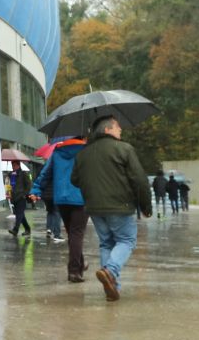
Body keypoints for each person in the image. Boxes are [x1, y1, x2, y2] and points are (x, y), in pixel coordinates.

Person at [70, 116, 152, 301]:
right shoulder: (123, 148)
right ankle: (110, 270)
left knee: (106, 243)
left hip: (94, 208)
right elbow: (139, 179)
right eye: (117, 127)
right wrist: (146, 206)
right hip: (120, 205)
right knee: (126, 241)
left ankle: (112, 287)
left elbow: (74, 180)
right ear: (107, 130)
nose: (120, 130)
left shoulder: (83, 153)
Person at [35, 137, 88, 281]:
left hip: (62, 198)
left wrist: (36, 189)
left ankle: (80, 263)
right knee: (76, 234)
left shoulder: (57, 152)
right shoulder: (86, 151)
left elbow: (46, 173)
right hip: (80, 197)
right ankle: (74, 270)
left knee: (73, 234)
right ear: (83, 138)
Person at [7, 160, 32, 237]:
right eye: (12, 166)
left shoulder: (23, 174)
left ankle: (15, 229)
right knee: (21, 215)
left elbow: (29, 185)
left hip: (21, 197)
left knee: (19, 214)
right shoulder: (11, 174)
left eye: (14, 165)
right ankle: (27, 229)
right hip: (14, 198)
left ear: (18, 165)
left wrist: (24, 194)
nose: (13, 167)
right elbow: (9, 185)